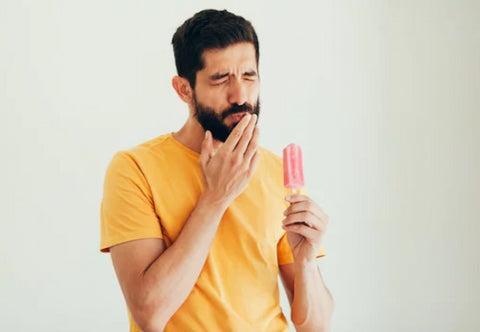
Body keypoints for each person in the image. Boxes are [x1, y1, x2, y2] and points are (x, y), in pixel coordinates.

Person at [100, 9, 334, 332]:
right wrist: (215, 198)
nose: (240, 96)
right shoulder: (134, 170)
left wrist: (306, 261)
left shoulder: (277, 172)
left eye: (249, 76)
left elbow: (316, 326)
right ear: (184, 89)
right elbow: (150, 312)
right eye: (221, 79)